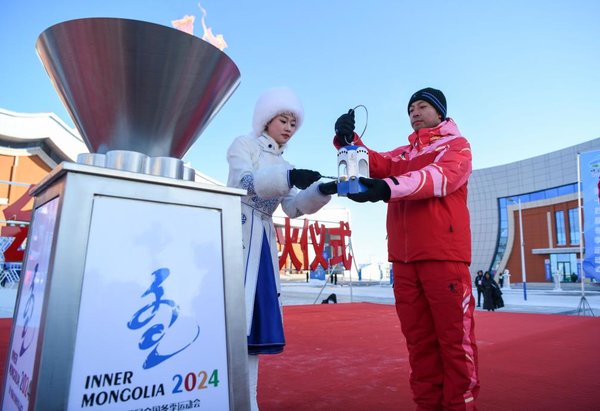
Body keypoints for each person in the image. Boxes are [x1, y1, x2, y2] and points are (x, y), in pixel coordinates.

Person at [333, 87, 479, 410]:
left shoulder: (457, 147)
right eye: (411, 108)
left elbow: (437, 178)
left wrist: (388, 188)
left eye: (422, 106)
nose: (414, 112)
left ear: (439, 112)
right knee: (419, 344)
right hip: (403, 261)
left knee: (455, 343)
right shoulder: (404, 153)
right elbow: (375, 163)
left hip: (443, 258)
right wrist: (349, 140)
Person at [227, 86, 337, 410]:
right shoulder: (244, 145)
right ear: (266, 119)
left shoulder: (285, 161)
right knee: (234, 324)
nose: (289, 127)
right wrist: (288, 176)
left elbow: (292, 208)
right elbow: (243, 185)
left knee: (251, 332)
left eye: (293, 123)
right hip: (238, 236)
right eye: (284, 119)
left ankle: (250, 402)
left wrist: (321, 190)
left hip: (262, 243)